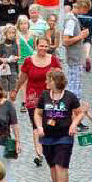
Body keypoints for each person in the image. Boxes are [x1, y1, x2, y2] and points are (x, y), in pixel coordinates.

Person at [34, 68, 82, 182]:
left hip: (64, 136)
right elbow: (37, 113)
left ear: (55, 82)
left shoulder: (70, 97)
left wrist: (73, 124)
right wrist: (39, 127)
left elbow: (79, 113)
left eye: (48, 80)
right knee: (53, 166)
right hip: (47, 136)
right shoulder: (44, 96)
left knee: (61, 165)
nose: (46, 82)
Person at [11, 36, 61, 166]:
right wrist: (15, 91)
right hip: (33, 97)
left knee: (50, 123)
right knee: (36, 125)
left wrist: (61, 94)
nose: (43, 48)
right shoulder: (29, 61)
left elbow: (60, 79)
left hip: (50, 97)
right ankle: (39, 154)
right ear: (36, 46)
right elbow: (22, 78)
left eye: (45, 46)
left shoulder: (54, 61)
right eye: (41, 46)